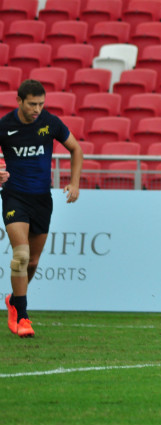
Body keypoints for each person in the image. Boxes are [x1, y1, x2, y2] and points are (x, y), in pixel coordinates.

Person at [1, 79, 83, 338]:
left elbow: (76, 149)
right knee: (21, 255)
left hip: (41, 200)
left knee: (33, 262)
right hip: (14, 197)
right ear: (19, 101)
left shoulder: (50, 122)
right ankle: (22, 316)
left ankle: (14, 300)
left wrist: (74, 183)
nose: (37, 109)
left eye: (41, 104)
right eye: (32, 104)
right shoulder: (4, 126)